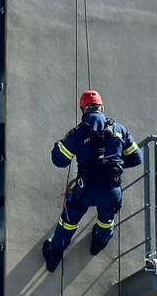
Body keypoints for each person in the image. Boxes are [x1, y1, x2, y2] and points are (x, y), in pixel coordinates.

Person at [41, 90, 143, 273]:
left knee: (69, 220)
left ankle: (54, 255)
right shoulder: (120, 130)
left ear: (83, 110)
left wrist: (59, 145)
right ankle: (98, 243)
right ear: (101, 107)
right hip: (112, 189)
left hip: (86, 190)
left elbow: (59, 161)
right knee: (106, 220)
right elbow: (137, 158)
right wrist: (113, 166)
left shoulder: (79, 133)